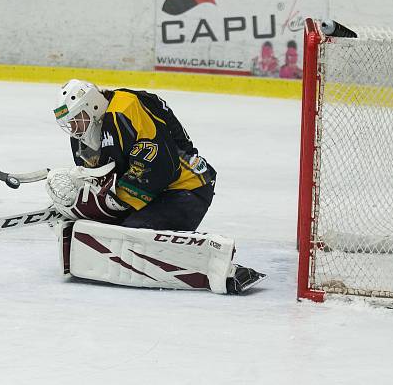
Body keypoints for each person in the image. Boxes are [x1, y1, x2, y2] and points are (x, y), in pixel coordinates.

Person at [45, 79, 265, 294]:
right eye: (70, 122)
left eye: (77, 119)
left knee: (130, 237)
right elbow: (100, 175)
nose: (74, 128)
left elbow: (160, 165)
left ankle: (222, 269)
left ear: (92, 106)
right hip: (152, 192)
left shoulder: (125, 108)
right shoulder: (84, 132)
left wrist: (113, 201)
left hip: (186, 187)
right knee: (102, 231)